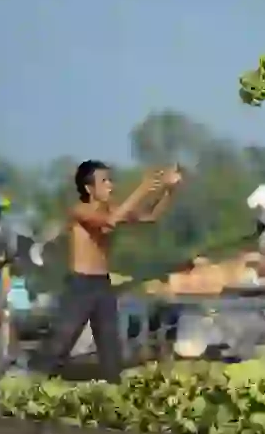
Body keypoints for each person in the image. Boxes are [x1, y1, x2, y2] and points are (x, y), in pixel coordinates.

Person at [28, 160, 182, 381]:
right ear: (89, 188)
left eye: (110, 180)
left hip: (102, 285)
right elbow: (108, 223)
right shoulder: (80, 210)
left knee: (110, 347)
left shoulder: (114, 209)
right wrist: (142, 189)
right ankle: (31, 382)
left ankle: (113, 390)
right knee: (61, 341)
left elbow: (151, 217)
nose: (111, 185)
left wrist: (169, 190)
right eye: (104, 181)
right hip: (80, 285)